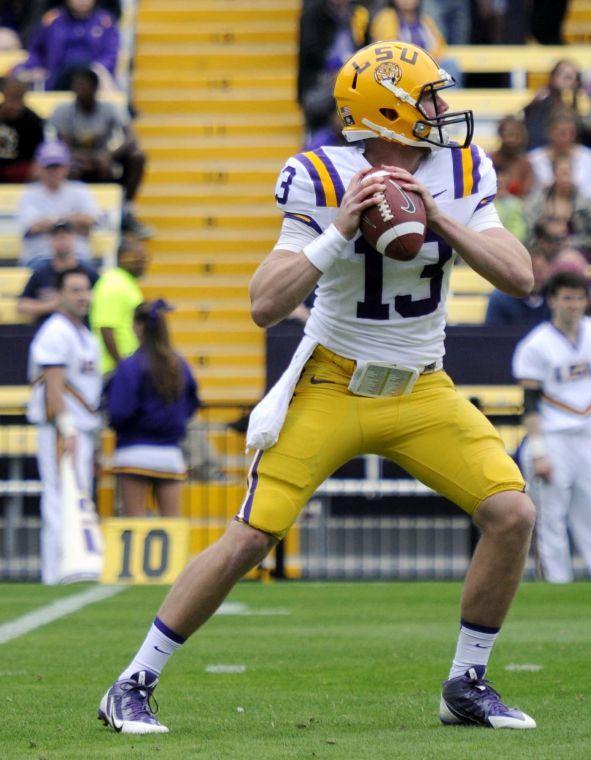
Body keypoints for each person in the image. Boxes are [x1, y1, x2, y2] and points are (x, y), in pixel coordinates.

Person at [98, 40, 538, 735]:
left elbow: (522, 276)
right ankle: (133, 682)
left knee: (512, 515)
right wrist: (338, 229)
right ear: (388, 112)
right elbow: (263, 304)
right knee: (250, 537)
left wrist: (439, 217)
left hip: (422, 387)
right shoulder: (319, 174)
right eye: (428, 100)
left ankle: (467, 682)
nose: (443, 111)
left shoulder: (460, 167)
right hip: (331, 381)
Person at [512, 270, 591, 584]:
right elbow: (531, 402)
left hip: (588, 437)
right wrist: (538, 452)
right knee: (551, 517)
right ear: (552, 300)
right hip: (551, 438)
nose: (574, 304)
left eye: (580, 297)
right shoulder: (536, 344)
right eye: (567, 297)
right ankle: (557, 582)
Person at [26, 265, 101, 584]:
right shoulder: (55, 331)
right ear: (59, 296)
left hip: (82, 428)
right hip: (62, 429)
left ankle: (75, 564)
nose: (82, 296)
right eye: (74, 290)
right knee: (58, 496)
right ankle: (55, 573)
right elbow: (53, 385)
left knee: (76, 494)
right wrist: (66, 428)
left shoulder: (84, 334)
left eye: (85, 289)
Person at [107, 300, 200, 518]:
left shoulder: (130, 366)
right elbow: (191, 404)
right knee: (171, 525)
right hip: (170, 453)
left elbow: (119, 411)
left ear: (137, 327)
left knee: (135, 524)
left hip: (134, 452)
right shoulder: (179, 364)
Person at [49, 66, 149, 235]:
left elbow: (131, 138)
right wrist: (94, 158)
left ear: (95, 88)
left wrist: (108, 155)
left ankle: (126, 209)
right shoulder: (64, 110)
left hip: (105, 160)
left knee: (137, 156)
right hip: (77, 161)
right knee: (64, 165)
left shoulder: (110, 108)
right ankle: (70, 213)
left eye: (83, 87)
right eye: (76, 87)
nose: (78, 91)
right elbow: (63, 147)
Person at [18, 140, 99, 269]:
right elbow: (32, 227)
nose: (53, 171)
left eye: (57, 166)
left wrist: (50, 224)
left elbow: (90, 221)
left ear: (66, 167)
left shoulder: (80, 190)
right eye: (48, 167)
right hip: (40, 260)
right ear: (39, 167)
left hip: (78, 259)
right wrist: (71, 222)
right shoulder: (29, 194)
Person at [297, 0, 370, 131]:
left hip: (356, 76)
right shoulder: (313, 14)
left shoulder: (360, 13)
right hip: (321, 80)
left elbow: (367, 48)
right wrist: (338, 66)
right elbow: (311, 51)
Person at [16, 0, 120, 91]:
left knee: (101, 78)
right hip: (56, 78)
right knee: (19, 76)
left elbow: (111, 54)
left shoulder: (105, 22)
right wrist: (35, 67)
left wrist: (97, 69)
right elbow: (36, 50)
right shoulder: (53, 20)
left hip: (93, 78)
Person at [525, 155, 591, 260]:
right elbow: (527, 235)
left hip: (578, 256)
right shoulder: (536, 204)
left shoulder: (590, 206)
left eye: (568, 172)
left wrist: (571, 243)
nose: (565, 177)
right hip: (541, 255)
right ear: (554, 174)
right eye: (561, 172)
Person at [17, 219, 99, 327]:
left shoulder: (88, 272)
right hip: (48, 330)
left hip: (81, 329)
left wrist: (81, 300)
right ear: (51, 240)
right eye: (58, 237)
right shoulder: (41, 272)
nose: (62, 241)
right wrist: (51, 305)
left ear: (73, 238)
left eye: (66, 236)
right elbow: (22, 305)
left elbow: (102, 298)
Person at [89, 236, 148, 375]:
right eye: (137, 259)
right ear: (122, 258)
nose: (142, 263)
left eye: (144, 258)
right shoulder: (114, 284)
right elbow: (106, 328)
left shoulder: (126, 283)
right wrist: (122, 367)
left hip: (126, 365)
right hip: (114, 369)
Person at [369, 0, 461, 86]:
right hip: (403, 67)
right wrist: (418, 61)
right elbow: (388, 48)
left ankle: (445, 101)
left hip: (427, 65)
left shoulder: (424, 19)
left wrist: (430, 59)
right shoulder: (386, 17)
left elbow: (439, 44)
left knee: (449, 64)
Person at [528, 108, 591, 200]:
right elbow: (530, 194)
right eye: (562, 133)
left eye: (572, 133)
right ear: (550, 132)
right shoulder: (534, 159)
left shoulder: (589, 157)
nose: (567, 138)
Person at [523, 59, 587, 151]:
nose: (562, 79)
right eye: (559, 74)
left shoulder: (582, 106)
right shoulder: (539, 105)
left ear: (576, 83)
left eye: (568, 77)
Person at [485, 251, 550, 326]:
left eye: (540, 271)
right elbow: (492, 333)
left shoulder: (556, 296)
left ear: (548, 270)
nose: (535, 277)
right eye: (531, 271)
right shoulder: (501, 298)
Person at [0, 76, 45, 183]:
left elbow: (39, 152)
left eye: (18, 96)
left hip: (20, 166)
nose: (15, 100)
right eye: (12, 95)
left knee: (39, 171)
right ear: (4, 93)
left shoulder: (33, 120)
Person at [489, 116, 534, 199]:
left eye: (517, 136)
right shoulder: (488, 161)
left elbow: (526, 195)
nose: (512, 140)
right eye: (509, 135)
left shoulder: (525, 165)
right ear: (501, 135)